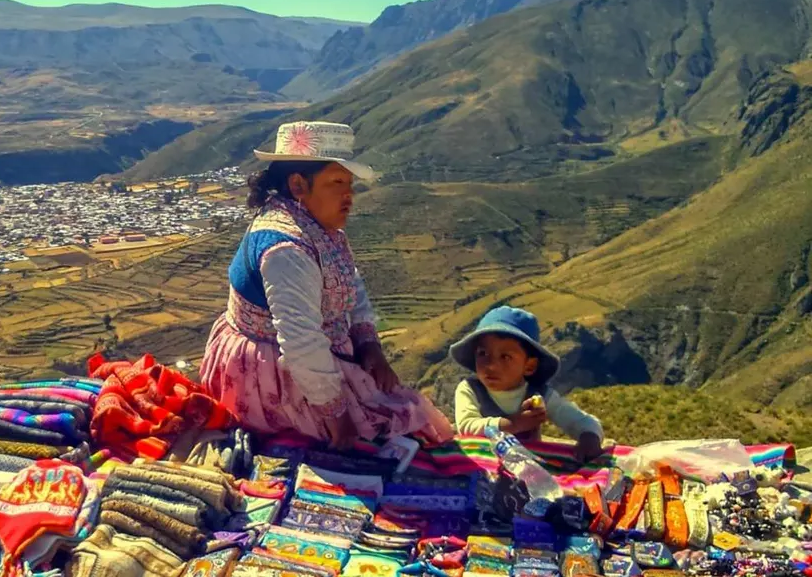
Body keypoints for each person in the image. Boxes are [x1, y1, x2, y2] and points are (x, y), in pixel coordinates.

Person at [200, 120, 454, 449]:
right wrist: (338, 420)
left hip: (312, 357)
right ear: (297, 185)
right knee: (374, 433)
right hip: (269, 371)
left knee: (396, 415)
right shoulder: (285, 250)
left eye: (350, 183)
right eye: (336, 182)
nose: (348, 194)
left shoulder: (320, 230)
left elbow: (351, 281)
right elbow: (301, 343)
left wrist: (368, 345)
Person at [451, 305, 605, 462]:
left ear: (529, 366)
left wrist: (589, 437)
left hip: (527, 472)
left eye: (505, 357)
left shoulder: (539, 395)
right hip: (481, 467)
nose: (491, 365)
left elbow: (579, 420)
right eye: (483, 354)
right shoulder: (469, 390)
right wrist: (514, 424)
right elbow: (467, 427)